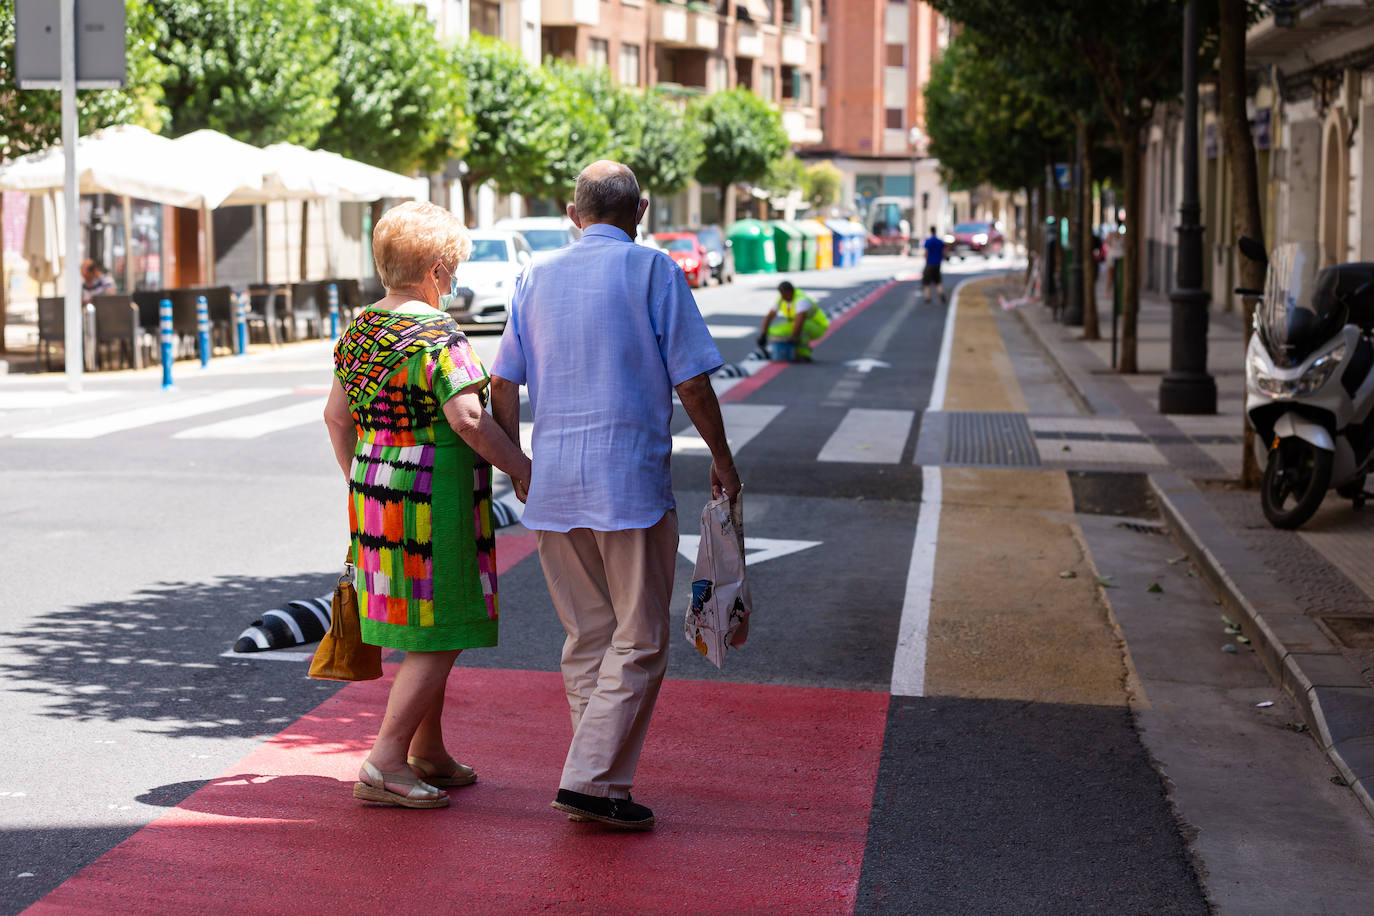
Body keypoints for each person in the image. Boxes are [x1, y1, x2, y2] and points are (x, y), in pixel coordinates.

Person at [490, 160, 741, 830]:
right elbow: (691, 382)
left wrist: (518, 464)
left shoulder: (533, 276)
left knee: (587, 637)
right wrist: (722, 458)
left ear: (575, 215)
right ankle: (590, 778)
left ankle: (600, 780)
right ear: (642, 211)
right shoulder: (654, 270)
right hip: (627, 482)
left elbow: (503, 385)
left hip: (553, 486)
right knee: (640, 637)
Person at [323, 201, 532, 810]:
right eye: (457, 268)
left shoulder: (359, 329)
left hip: (375, 488)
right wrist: (520, 468)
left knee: (418, 625)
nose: (459, 280)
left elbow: (336, 418)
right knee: (441, 627)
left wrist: (362, 479)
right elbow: (469, 418)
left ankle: (429, 750)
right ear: (437, 271)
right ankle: (386, 758)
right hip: (432, 494)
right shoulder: (438, 335)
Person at [757, 281, 824, 362]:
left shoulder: (801, 300)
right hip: (798, 322)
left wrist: (792, 339)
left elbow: (799, 321)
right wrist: (763, 335)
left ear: (790, 291)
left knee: (801, 328)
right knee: (773, 329)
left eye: (784, 294)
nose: (782, 296)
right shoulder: (781, 299)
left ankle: (804, 354)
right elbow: (769, 316)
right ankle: (788, 351)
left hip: (818, 326)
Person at [921, 227, 946, 302]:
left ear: (930, 231)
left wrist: (925, 259)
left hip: (930, 263)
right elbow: (943, 252)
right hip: (938, 264)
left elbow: (926, 252)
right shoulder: (940, 241)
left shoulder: (928, 241)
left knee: (927, 281)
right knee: (937, 280)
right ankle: (941, 293)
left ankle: (928, 297)